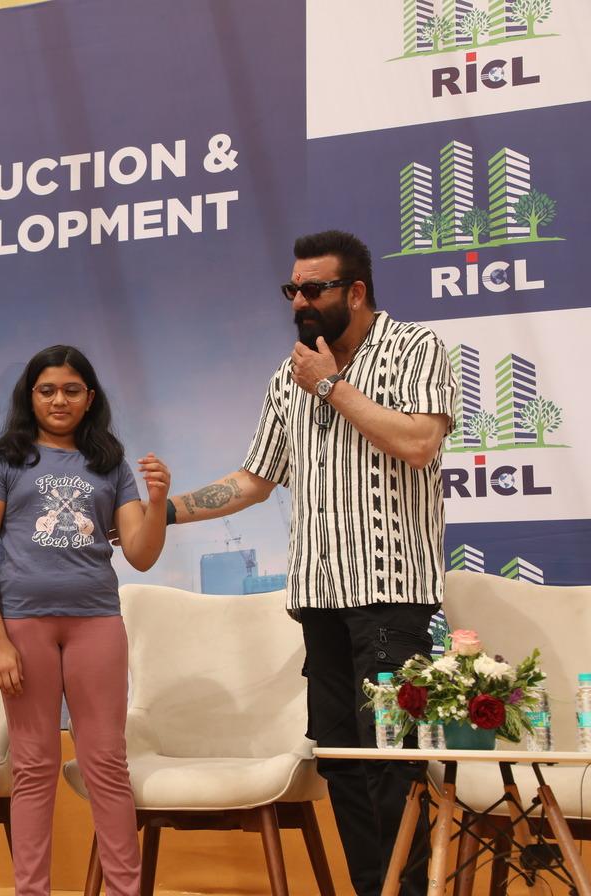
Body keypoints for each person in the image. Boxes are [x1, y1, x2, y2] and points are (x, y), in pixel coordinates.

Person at [163, 230, 455, 896]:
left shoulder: (415, 348)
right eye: (292, 289)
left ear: (355, 292)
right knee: (341, 762)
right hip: (319, 599)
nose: (299, 301)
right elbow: (254, 480)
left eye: (313, 289)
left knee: (392, 762)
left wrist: (330, 387)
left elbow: (418, 443)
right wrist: (163, 513)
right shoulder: (287, 377)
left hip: (390, 598)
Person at [0, 345, 169, 895]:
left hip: (96, 623)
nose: (59, 400)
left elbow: (141, 554)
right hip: (23, 626)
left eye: (72, 390)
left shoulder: (110, 463)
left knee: (106, 764)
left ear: (90, 397)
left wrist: (157, 501)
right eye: (47, 390)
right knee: (33, 767)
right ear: (30, 396)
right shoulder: (5, 460)